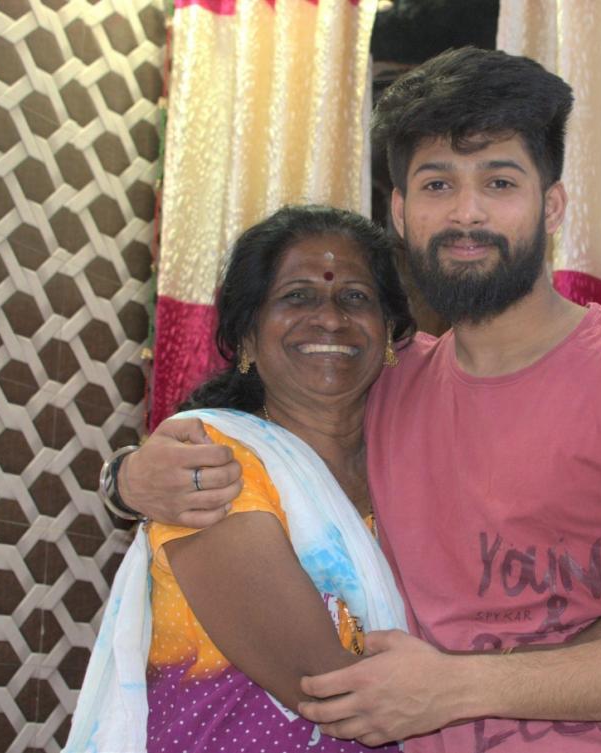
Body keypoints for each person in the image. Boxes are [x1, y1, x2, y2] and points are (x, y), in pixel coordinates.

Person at [109, 48, 601, 753]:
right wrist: (125, 479)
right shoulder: (384, 382)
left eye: (500, 181)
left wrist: (458, 686)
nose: (466, 212)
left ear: (552, 205)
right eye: (435, 184)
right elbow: (264, 439)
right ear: (398, 209)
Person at [67, 205, 414, 753]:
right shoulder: (213, 460)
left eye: (355, 297)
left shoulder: (412, 474)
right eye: (296, 296)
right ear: (247, 338)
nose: (329, 318)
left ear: (390, 333)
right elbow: (327, 688)